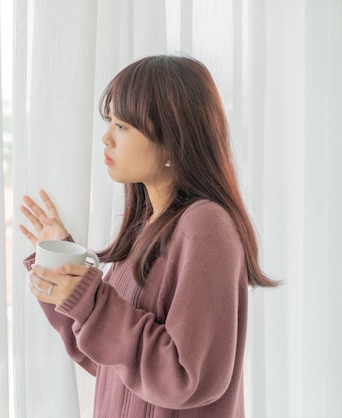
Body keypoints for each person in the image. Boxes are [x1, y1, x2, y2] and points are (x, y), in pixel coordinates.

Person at [19, 55, 277, 417]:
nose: (107, 137)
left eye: (123, 126)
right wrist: (67, 272)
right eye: (109, 121)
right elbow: (111, 363)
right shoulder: (146, 230)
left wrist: (89, 299)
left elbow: (186, 377)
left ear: (173, 140)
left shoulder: (205, 226)